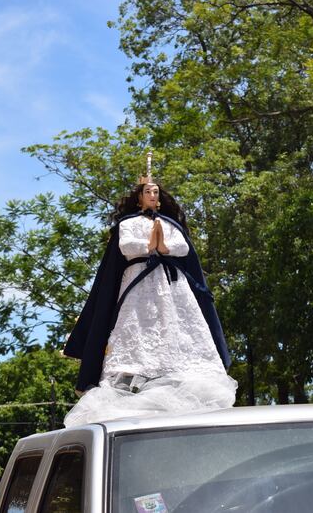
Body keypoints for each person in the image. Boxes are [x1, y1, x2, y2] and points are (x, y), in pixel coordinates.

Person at [62, 173, 237, 426]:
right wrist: (149, 244)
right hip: (138, 280)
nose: (153, 196)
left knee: (179, 325)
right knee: (136, 324)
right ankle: (133, 374)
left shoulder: (169, 224)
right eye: (148, 192)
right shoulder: (128, 223)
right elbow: (127, 246)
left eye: (156, 192)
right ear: (139, 197)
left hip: (170, 282)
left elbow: (182, 247)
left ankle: (177, 368)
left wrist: (163, 245)